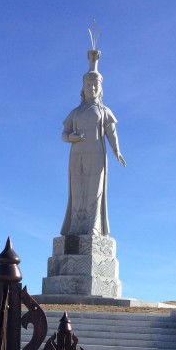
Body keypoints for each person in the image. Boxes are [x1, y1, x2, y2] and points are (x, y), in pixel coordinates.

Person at [60, 63, 125, 237]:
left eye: (95, 85)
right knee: (77, 191)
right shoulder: (75, 112)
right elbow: (64, 134)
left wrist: (116, 151)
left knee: (94, 191)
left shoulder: (104, 111)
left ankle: (93, 226)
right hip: (77, 155)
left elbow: (111, 133)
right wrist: (71, 138)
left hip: (96, 155)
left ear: (101, 87)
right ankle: (76, 226)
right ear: (83, 87)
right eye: (88, 85)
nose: (92, 88)